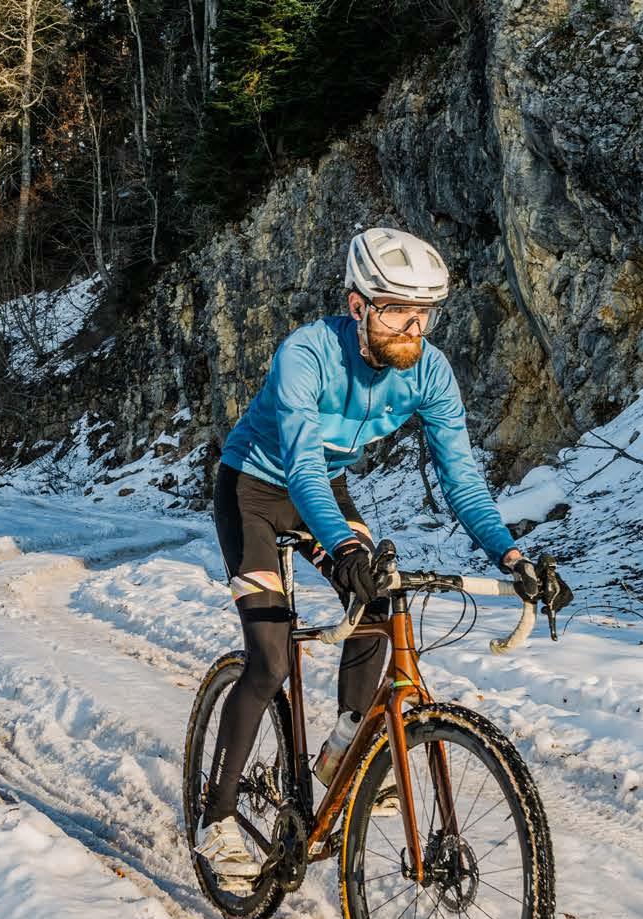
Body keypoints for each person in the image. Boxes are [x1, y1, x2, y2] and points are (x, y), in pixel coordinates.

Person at [197, 226, 563, 879]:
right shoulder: (306, 353)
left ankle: (345, 749)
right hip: (253, 489)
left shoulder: (429, 371)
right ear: (358, 305)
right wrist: (342, 545)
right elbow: (302, 464)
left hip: (325, 491)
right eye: (397, 311)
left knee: (379, 602)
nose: (413, 328)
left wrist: (512, 557)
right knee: (270, 658)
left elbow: (461, 479)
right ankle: (217, 817)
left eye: (425, 313)